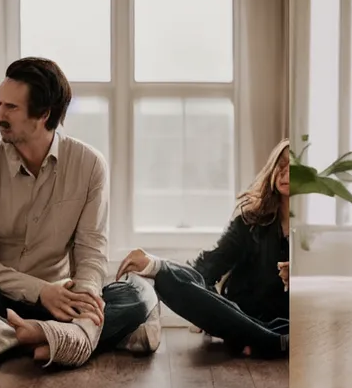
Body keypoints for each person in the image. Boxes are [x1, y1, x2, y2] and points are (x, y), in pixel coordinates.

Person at [0, 58, 155, 371]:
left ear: (44, 114)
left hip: (60, 302)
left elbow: (91, 251)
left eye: (11, 107)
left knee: (138, 294)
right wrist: (40, 291)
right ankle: (57, 339)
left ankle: (11, 339)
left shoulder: (90, 165)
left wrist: (84, 300)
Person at [116, 139, 289, 359]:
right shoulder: (249, 221)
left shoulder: (314, 235)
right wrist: (204, 306)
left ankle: (268, 342)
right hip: (240, 317)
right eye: (281, 166)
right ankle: (156, 266)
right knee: (172, 280)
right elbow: (205, 268)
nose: (285, 174)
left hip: (291, 324)